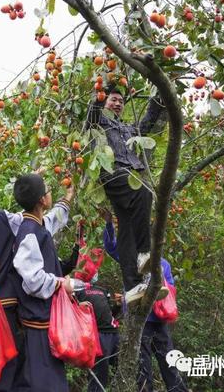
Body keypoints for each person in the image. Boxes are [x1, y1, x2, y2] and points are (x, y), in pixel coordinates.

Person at [0, 182, 72, 392]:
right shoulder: (3, 219)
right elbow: (42, 222)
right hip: (3, 309)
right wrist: (65, 201)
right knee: (5, 374)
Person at [85, 84, 166, 305]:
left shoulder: (129, 129)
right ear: (105, 101)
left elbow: (148, 121)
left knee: (127, 228)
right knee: (145, 192)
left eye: (121, 101)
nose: (118, 103)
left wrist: (158, 92)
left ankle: (132, 287)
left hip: (130, 175)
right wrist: (102, 87)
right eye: (113, 99)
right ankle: (143, 253)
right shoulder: (98, 123)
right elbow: (92, 111)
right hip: (112, 174)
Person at [103, 217, 188, 392]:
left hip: (158, 320)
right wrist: (108, 225)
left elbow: (170, 291)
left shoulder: (163, 264)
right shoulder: (130, 258)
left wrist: (158, 285)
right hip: (138, 319)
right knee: (143, 368)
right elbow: (111, 247)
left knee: (169, 363)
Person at [10, 173, 75, 392]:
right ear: (42, 200)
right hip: (36, 323)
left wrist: (68, 198)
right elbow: (33, 280)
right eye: (48, 191)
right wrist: (60, 284)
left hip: (44, 321)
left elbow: (52, 220)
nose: (50, 194)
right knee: (44, 383)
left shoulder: (35, 226)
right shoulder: (29, 233)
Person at [71, 273, 121, 392]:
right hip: (97, 336)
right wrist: (77, 305)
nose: (94, 272)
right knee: (99, 373)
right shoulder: (77, 290)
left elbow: (110, 313)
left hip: (114, 332)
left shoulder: (102, 290)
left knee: (121, 369)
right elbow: (69, 310)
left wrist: (118, 306)